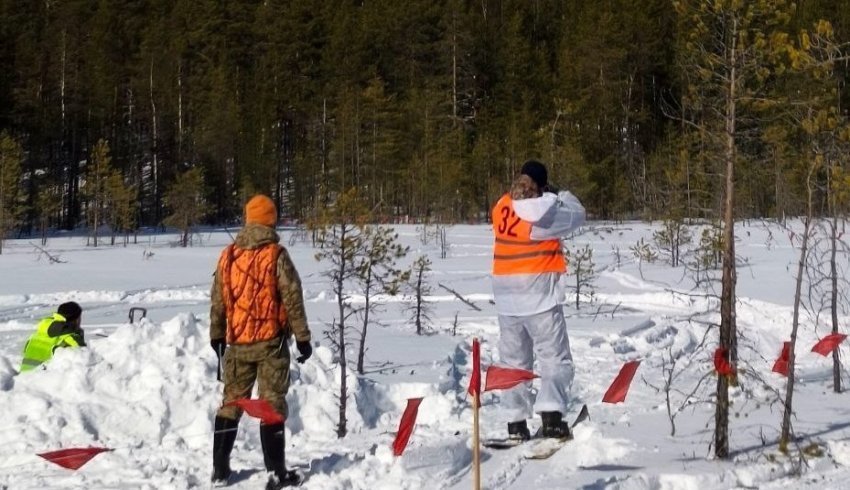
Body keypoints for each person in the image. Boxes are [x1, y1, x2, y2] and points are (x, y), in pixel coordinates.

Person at [209, 195, 313, 489]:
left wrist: (216, 335)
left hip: (237, 344)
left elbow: (217, 299)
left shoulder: (228, 255)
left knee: (230, 404)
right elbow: (293, 297)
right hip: (271, 345)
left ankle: (219, 470)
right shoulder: (276, 254)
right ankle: (276, 472)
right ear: (270, 220)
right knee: (272, 405)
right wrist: (303, 338)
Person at [491, 159, 586, 441]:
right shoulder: (542, 213)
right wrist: (559, 194)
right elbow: (577, 214)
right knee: (553, 357)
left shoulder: (501, 205)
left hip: (506, 298)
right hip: (538, 297)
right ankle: (552, 415)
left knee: (513, 362)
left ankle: (515, 423)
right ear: (542, 186)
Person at [20, 302, 86, 372]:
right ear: (76, 319)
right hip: (46, 379)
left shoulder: (40, 332)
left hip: (24, 378)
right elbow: (86, 358)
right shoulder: (70, 338)